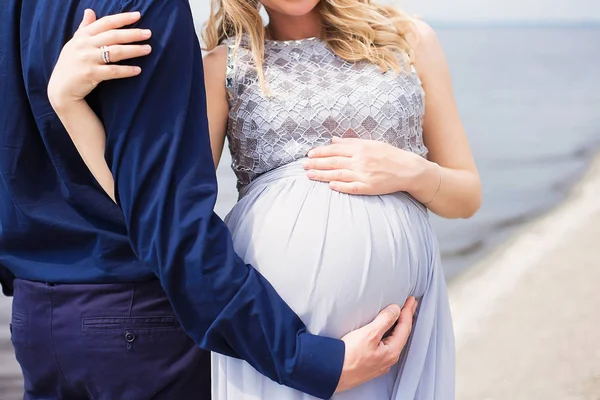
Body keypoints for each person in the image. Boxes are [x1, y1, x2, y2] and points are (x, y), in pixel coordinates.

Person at [46, 0, 482, 398]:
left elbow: (466, 197)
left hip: (397, 328)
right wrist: (66, 102)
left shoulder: (408, 39)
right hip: (281, 335)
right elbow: (151, 202)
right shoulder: (223, 65)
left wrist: (411, 171)